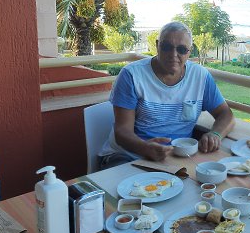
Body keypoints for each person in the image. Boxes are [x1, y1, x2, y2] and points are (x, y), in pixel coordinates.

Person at [99, 21, 234, 168]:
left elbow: (226, 114)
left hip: (175, 159)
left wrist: (215, 134)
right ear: (157, 45)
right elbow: (122, 132)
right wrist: (145, 148)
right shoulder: (132, 75)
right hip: (128, 156)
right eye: (167, 47)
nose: (173, 54)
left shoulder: (200, 76)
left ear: (189, 51)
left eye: (181, 49)